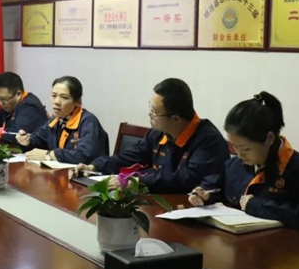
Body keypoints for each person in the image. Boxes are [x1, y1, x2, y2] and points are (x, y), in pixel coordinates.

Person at [188, 91, 299, 232]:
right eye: (235, 147)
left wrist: (258, 206)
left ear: (269, 139)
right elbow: (218, 185)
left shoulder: (298, 169)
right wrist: (205, 194)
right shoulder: (237, 165)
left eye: (246, 149)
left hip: (285, 244)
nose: (239, 155)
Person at [71, 78, 229, 193]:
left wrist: (136, 182)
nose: (149, 114)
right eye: (150, 108)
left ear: (175, 119)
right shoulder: (159, 133)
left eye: (154, 112)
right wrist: (94, 167)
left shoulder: (208, 141)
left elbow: (185, 180)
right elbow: (131, 156)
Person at [16, 76, 109, 163]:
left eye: (64, 97)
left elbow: (85, 155)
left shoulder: (88, 121)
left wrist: (50, 155)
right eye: (53, 96)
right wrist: (27, 141)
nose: (56, 102)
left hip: (86, 173)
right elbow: (38, 139)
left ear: (78, 102)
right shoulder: (56, 120)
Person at [0, 72, 48, 144]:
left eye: (3, 99)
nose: (0, 103)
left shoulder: (30, 107)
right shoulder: (9, 104)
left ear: (18, 94)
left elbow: (15, 134)